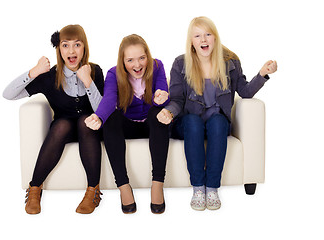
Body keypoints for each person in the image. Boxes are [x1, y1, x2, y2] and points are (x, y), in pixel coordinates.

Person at [157, 16, 277, 211]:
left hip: (215, 124)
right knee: (193, 122)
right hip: (187, 124)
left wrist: (262, 74)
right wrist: (169, 113)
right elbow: (177, 99)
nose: (203, 39)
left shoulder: (230, 62)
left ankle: (212, 188)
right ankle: (198, 187)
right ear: (192, 42)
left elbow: (244, 92)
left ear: (215, 38)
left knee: (219, 122)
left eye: (208, 34)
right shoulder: (181, 63)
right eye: (197, 36)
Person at [3, 25, 104, 214]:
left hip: (88, 130)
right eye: (65, 45)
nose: (71, 51)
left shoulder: (95, 71)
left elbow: (101, 111)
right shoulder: (49, 77)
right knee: (62, 124)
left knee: (86, 121)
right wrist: (33, 71)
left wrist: (88, 81)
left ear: (84, 48)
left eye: (77, 45)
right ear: (59, 49)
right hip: (62, 130)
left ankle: (92, 191)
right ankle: (34, 189)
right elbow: (8, 94)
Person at [85, 34, 169, 214]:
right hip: (128, 124)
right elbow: (109, 99)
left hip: (151, 125)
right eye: (130, 60)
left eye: (141, 58)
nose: (137, 65)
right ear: (123, 61)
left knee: (157, 114)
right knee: (111, 118)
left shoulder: (157, 66)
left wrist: (162, 96)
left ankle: (157, 184)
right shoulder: (113, 74)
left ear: (148, 56)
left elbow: (163, 89)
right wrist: (98, 116)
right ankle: (123, 186)